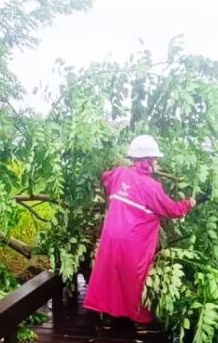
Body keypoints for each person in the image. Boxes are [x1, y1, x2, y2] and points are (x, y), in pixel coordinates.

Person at [83, 135, 196, 331]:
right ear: (147, 161)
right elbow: (172, 210)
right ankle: (140, 321)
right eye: (155, 158)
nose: (157, 162)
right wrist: (189, 203)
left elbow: (105, 178)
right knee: (135, 277)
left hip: (111, 235)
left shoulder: (119, 174)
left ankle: (109, 318)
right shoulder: (151, 187)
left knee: (111, 273)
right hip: (134, 240)